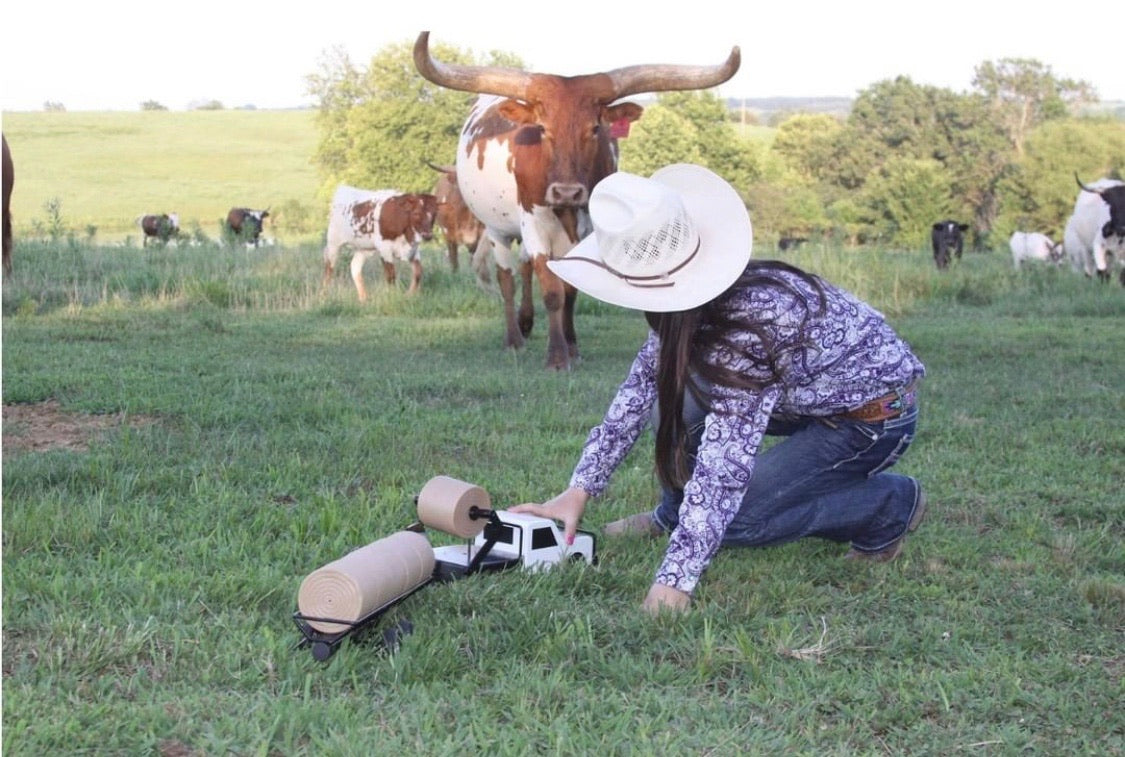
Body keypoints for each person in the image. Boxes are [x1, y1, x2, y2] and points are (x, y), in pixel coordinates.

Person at [511, 164, 927, 615]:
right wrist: (578, 490)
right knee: (667, 397)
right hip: (808, 396)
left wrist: (675, 580)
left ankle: (890, 505)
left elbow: (723, 466)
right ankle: (671, 516)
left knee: (736, 520)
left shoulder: (750, 326)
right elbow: (639, 391)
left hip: (870, 418)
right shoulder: (690, 301)